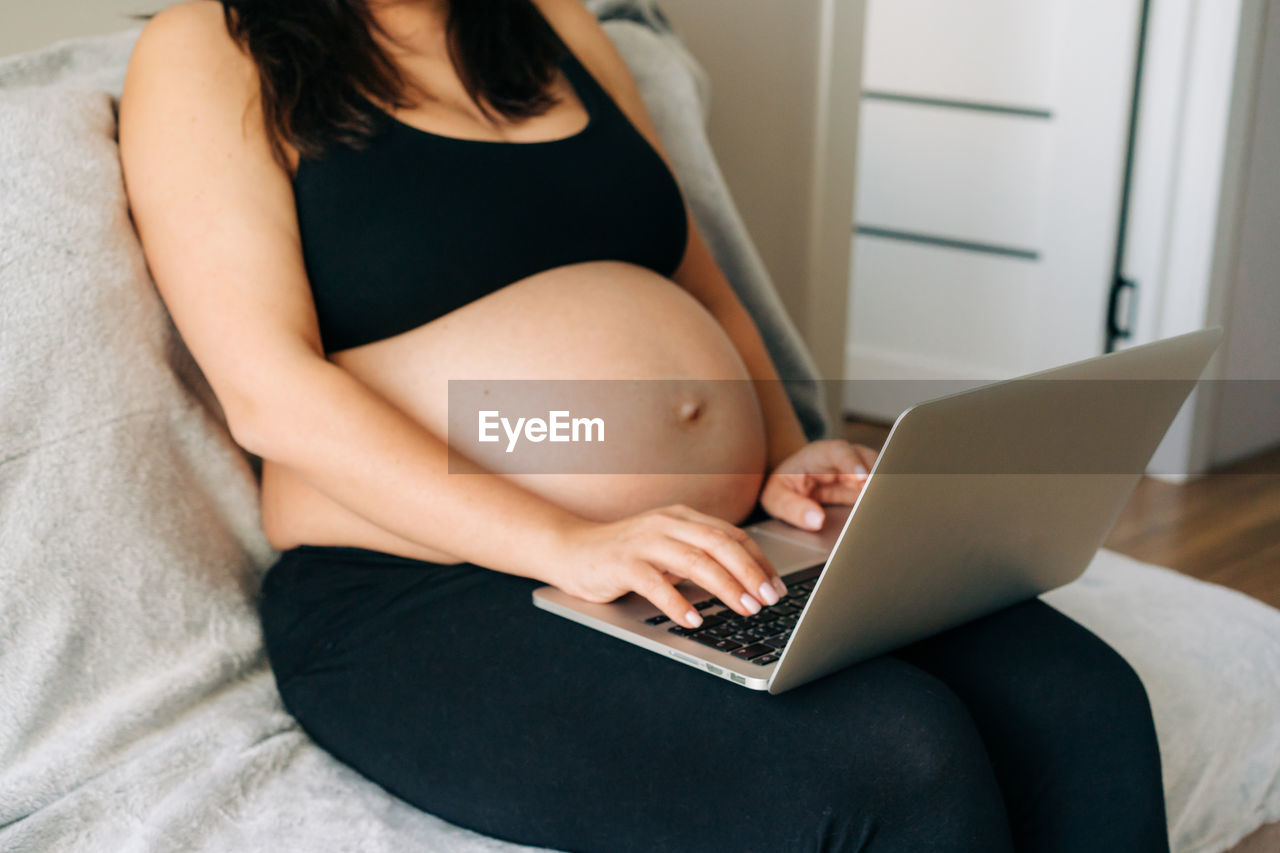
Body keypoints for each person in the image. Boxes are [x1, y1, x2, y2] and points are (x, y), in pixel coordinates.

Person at [117, 1, 1171, 849]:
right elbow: (267, 386)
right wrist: (567, 542)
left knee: (1084, 700)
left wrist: (784, 450)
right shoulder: (212, 47)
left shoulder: (557, 28)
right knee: (896, 754)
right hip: (419, 588)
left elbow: (700, 289)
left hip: (697, 551)